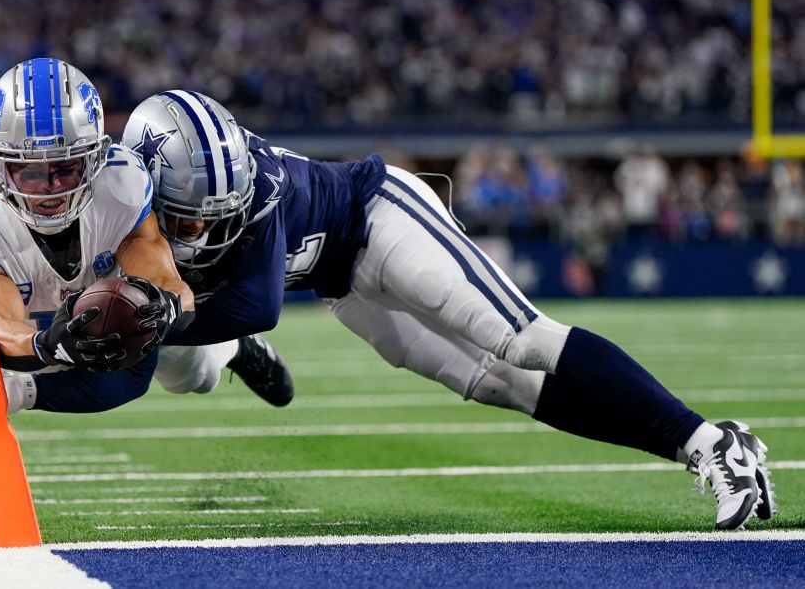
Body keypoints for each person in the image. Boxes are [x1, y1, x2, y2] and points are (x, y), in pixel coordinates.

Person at [122, 90, 775, 531]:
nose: (204, 231)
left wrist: (134, 324)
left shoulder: (251, 184)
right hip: (339, 282)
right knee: (504, 385)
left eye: (215, 215)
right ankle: (696, 445)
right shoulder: (133, 200)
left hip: (377, 217)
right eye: (187, 218)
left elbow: (255, 303)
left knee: (521, 340)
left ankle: (710, 442)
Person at [0, 60, 291, 417]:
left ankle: (232, 349)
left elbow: (166, 280)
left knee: (192, 375)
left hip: (117, 313)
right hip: (37, 333)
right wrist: (50, 345)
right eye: (28, 170)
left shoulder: (121, 185)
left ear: (95, 159)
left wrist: (165, 306)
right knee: (42, 368)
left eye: (66, 168)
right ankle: (30, 389)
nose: (49, 189)